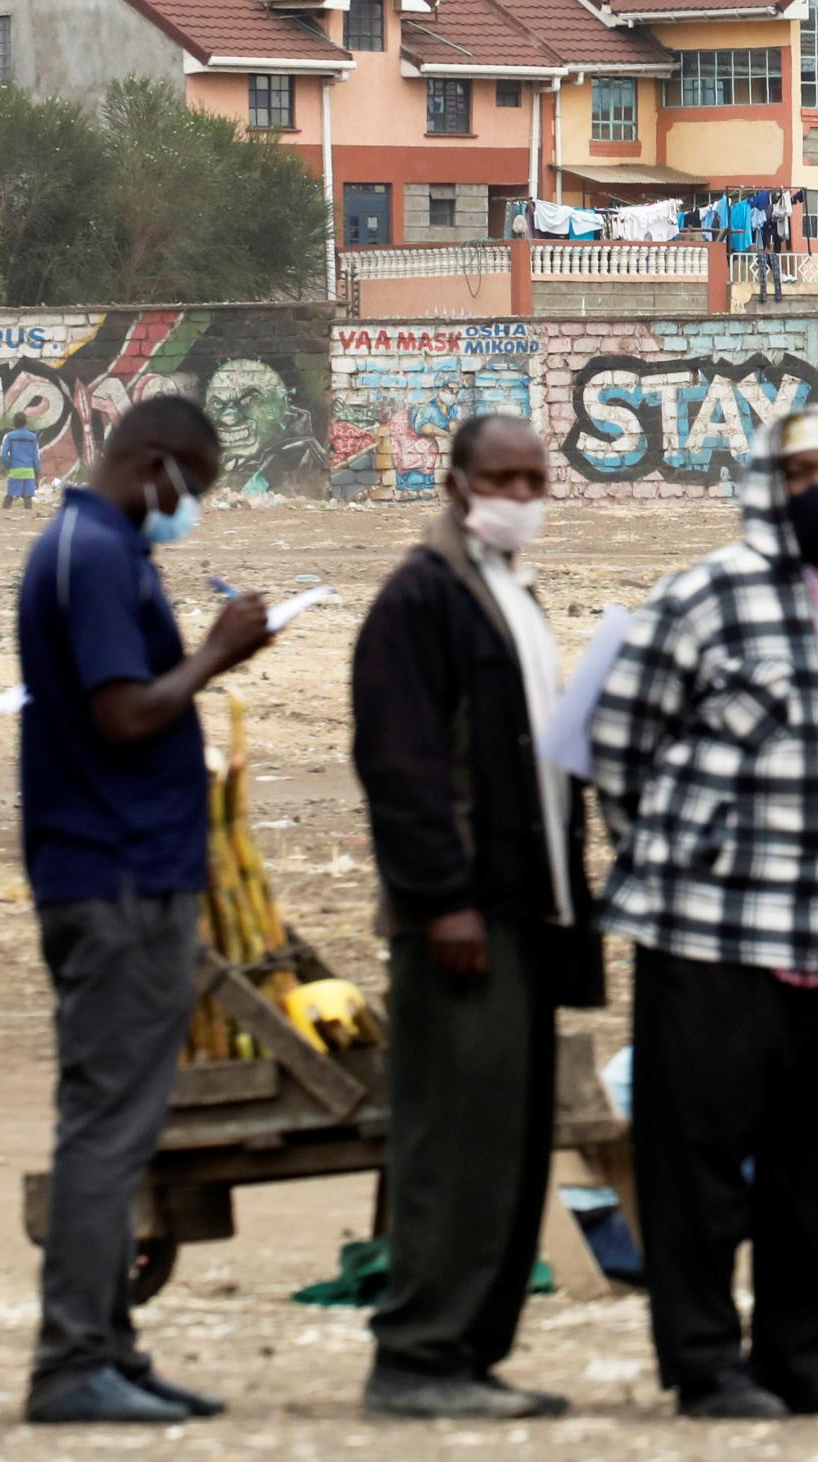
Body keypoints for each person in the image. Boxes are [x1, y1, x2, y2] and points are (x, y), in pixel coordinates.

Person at [590, 406, 818, 1420]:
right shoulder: (701, 597)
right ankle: (703, 1364)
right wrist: (683, 863)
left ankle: (799, 1368)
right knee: (695, 1169)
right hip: (710, 939)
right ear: (763, 480)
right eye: (800, 467)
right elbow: (616, 749)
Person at [16, 395, 272, 1424]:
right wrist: (216, 654)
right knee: (106, 1129)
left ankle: (111, 1348)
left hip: (131, 867)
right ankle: (73, 1361)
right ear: (158, 464)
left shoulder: (98, 550)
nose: (194, 510)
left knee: (125, 1123)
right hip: (112, 877)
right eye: (197, 490)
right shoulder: (92, 556)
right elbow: (124, 712)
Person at [351, 415, 602, 1420]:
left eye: (535, 477)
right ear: (457, 484)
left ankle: (471, 1349)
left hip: (525, 910)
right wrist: (440, 900)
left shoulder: (511, 591)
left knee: (507, 1136)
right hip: (464, 919)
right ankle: (416, 1353)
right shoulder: (421, 597)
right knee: (453, 1137)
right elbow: (401, 768)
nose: (520, 493)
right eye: (502, 477)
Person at [1, 411, 42, 511]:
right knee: (28, 497)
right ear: (25, 423)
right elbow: (36, 457)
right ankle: (27, 521)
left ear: (14, 423)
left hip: (15, 471)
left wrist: (8, 466)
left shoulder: (9, 436)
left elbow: (4, 455)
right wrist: (37, 473)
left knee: (10, 495)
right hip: (29, 472)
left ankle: (1, 516)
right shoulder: (33, 437)